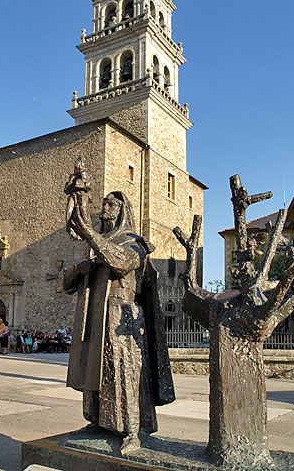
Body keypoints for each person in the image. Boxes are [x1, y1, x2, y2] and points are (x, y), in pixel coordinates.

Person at [61, 191, 174, 454]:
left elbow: (121, 263)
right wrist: (79, 268)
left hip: (122, 315)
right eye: (104, 202)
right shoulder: (95, 245)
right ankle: (99, 422)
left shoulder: (135, 242)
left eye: (112, 203)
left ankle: (133, 431)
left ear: (123, 210)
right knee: (97, 373)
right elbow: (65, 284)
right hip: (95, 315)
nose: (105, 207)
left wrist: (90, 234)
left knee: (125, 374)